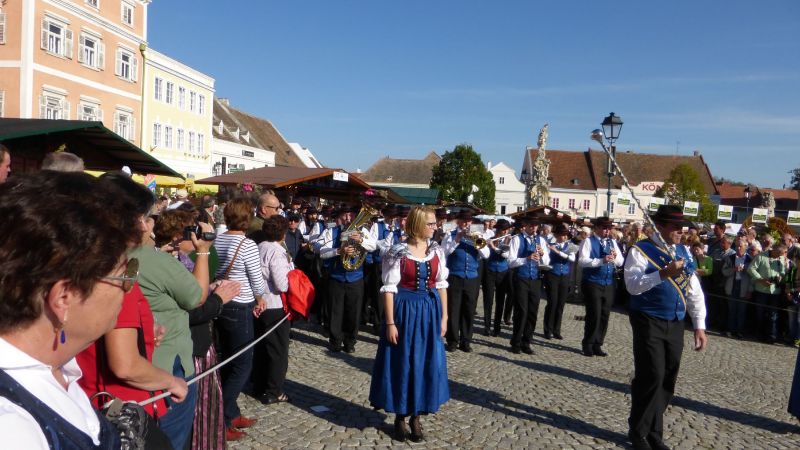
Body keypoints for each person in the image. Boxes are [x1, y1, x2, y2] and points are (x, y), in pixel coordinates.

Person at [0, 171, 141, 448]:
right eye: (124, 275)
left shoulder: (56, 366)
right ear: (64, 297)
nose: (130, 287)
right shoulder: (11, 429)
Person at [130, 203, 215, 450]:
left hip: (140, 354)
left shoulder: (108, 255)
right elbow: (196, 298)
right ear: (143, 223)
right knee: (171, 437)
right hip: (167, 359)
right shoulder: (153, 260)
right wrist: (204, 252)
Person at [624, 205, 707, 450]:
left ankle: (654, 433)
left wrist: (699, 325)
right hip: (648, 318)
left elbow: (694, 291)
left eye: (682, 227)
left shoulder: (683, 252)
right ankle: (638, 432)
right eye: (675, 227)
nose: (681, 232)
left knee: (668, 378)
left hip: (675, 321)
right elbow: (632, 286)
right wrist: (662, 274)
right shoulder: (640, 250)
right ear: (660, 227)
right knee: (652, 375)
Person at [369, 206, 450, 442]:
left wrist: (444, 317)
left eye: (435, 223)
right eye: (431, 223)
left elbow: (442, 284)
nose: (435, 227)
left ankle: (417, 415)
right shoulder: (397, 252)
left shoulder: (436, 250)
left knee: (426, 362)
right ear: (417, 225)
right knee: (403, 361)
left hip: (430, 311)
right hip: (405, 311)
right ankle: (401, 416)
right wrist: (391, 322)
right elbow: (389, 288)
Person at [214, 197, 267, 441]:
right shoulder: (246, 245)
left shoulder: (217, 239)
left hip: (221, 301)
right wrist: (260, 298)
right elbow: (256, 278)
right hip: (240, 304)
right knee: (243, 363)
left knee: (227, 359)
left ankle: (232, 412)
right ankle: (221, 419)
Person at [319, 206, 377, 353]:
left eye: (351, 215)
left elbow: (373, 246)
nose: (348, 219)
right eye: (345, 215)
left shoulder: (362, 231)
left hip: (355, 278)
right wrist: (338, 251)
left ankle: (350, 341)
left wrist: (362, 239)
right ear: (339, 217)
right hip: (336, 277)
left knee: (353, 311)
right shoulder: (330, 231)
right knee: (335, 311)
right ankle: (335, 341)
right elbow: (321, 253)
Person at [253, 215, 294, 405]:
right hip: (274, 303)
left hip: (259, 302)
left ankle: (259, 384)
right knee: (277, 350)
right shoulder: (277, 251)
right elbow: (282, 284)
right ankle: (274, 391)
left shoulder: (259, 246)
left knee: (262, 347)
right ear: (283, 233)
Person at [578, 217, 624, 357]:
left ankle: (598, 344)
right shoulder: (588, 241)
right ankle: (588, 344)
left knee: (605, 315)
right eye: (604, 228)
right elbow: (582, 261)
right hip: (592, 282)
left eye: (609, 228)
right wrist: (600, 261)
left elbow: (620, 262)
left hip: (608, 283)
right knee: (594, 314)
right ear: (596, 228)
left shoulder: (612, 242)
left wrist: (615, 258)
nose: (607, 231)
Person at [506, 217, 550, 354]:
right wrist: (527, 258)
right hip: (521, 278)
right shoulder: (517, 239)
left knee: (532, 312)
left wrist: (542, 255)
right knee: (521, 311)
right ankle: (516, 341)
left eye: (536, 226)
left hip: (536, 278)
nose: (533, 228)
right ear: (525, 226)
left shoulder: (541, 240)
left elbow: (547, 261)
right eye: (531, 225)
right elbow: (510, 261)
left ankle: (527, 342)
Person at [442, 210, 482, 352]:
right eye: (464, 221)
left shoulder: (477, 236)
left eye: (468, 221)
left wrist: (478, 242)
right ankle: (452, 341)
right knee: (453, 309)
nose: (466, 224)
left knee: (469, 309)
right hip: (454, 276)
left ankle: (466, 341)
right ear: (458, 221)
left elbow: (486, 254)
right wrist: (457, 239)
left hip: (471, 277)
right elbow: (444, 252)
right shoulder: (450, 235)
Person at [748, 243, 789, 343]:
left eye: (782, 254)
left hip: (775, 291)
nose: (780, 256)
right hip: (762, 290)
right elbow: (751, 269)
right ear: (774, 250)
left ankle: (771, 336)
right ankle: (759, 334)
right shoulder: (761, 256)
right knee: (760, 313)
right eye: (779, 253)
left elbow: (783, 272)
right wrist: (760, 279)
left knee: (773, 315)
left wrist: (781, 276)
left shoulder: (781, 258)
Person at [543, 223, 576, 340]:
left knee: (561, 304)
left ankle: (557, 330)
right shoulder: (550, 245)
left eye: (565, 235)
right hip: (552, 275)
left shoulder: (570, 245)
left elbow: (572, 258)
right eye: (561, 235)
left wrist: (558, 252)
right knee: (552, 302)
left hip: (565, 276)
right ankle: (547, 329)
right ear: (556, 235)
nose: (564, 237)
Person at [480, 219, 513, 337]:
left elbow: (505, 254)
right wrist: (486, 243)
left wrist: (494, 247)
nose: (505, 232)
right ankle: (487, 327)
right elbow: (479, 248)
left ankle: (497, 327)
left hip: (503, 272)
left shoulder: (509, 240)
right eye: (503, 230)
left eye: (506, 230)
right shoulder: (491, 238)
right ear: (498, 230)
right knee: (488, 300)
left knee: (500, 300)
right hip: (489, 270)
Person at [721, 239, 753, 339]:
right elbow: (724, 271)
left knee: (741, 311)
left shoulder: (750, 259)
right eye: (737, 246)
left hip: (744, 286)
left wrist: (750, 290)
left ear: (745, 247)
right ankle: (730, 329)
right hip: (732, 285)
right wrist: (733, 269)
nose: (739, 248)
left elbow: (753, 277)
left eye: (741, 246)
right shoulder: (730, 258)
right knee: (732, 310)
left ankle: (739, 331)